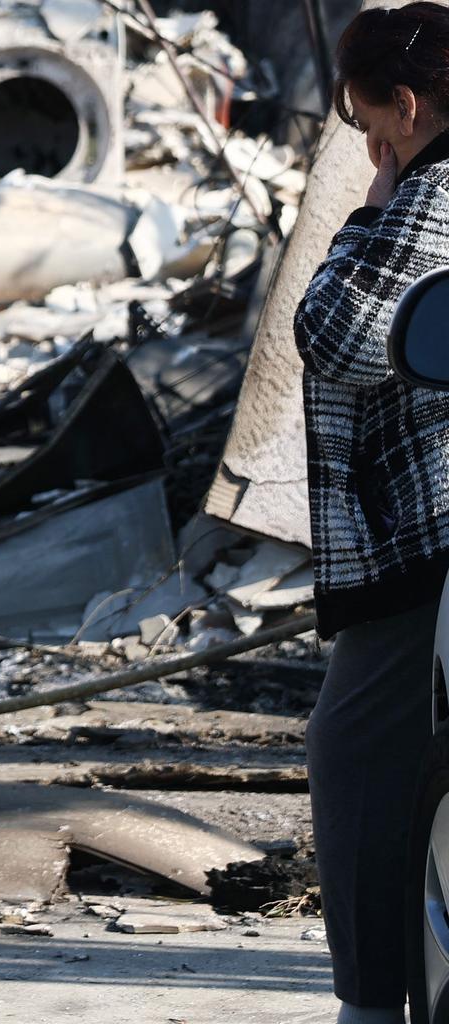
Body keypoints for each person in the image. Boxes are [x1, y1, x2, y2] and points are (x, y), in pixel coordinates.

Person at [293, 4, 449, 1023]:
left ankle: (369, 1004)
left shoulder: (436, 192)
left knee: (350, 756)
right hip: (418, 528)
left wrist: (367, 210)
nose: (364, 143)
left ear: (408, 101)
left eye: (368, 120)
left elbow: (335, 330)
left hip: (424, 535)